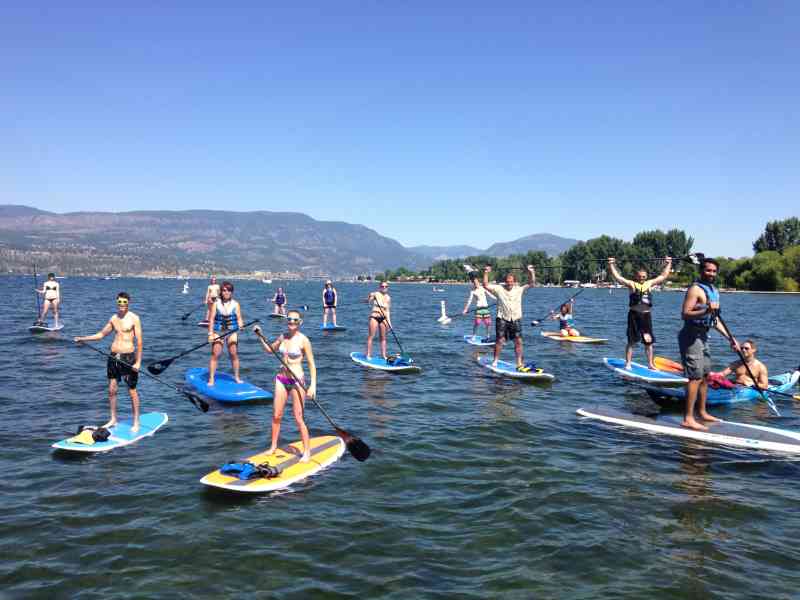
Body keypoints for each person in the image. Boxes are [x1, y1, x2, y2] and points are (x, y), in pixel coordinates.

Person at [678, 257, 739, 431]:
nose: (711, 273)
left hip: (704, 337)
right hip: (691, 336)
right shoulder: (695, 290)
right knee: (695, 377)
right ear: (701, 271)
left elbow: (715, 320)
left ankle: (702, 412)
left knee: (705, 377)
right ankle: (688, 418)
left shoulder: (714, 290)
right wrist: (706, 309)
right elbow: (685, 314)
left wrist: (730, 338)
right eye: (708, 270)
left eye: (714, 271)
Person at [74, 292, 142, 432]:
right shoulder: (114, 318)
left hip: (128, 357)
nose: (121, 305)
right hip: (113, 357)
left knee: (132, 391)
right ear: (117, 303)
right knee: (111, 390)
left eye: (124, 302)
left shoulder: (134, 318)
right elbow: (101, 335)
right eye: (119, 302)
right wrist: (83, 338)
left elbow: (140, 342)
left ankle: (136, 422)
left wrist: (138, 362)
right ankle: (113, 419)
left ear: (128, 303)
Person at [253, 310, 316, 462]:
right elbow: (269, 350)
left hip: (297, 381)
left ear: (300, 322)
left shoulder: (304, 340)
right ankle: (273, 446)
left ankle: (307, 451)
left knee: (298, 418)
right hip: (281, 378)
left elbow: (311, 364)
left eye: (295, 320)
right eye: (289, 319)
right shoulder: (283, 336)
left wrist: (313, 385)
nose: (292, 322)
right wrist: (260, 336)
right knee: (276, 415)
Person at [607, 257, 672, 370]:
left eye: (644, 277)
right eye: (640, 276)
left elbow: (663, 275)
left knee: (649, 341)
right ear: (636, 276)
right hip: (634, 316)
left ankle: (651, 364)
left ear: (646, 277)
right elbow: (618, 277)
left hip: (646, 317)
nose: (641, 278)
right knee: (632, 341)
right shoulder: (631, 284)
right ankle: (628, 363)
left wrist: (669, 263)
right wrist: (611, 264)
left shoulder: (650, 284)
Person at [483, 265, 536, 371]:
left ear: (514, 282)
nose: (509, 283)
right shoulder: (498, 289)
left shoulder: (519, 289)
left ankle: (519, 363)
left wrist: (531, 272)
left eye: (511, 281)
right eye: (507, 281)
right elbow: (485, 285)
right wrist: (486, 272)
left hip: (515, 319)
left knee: (518, 341)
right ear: (505, 281)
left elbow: (532, 283)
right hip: (502, 318)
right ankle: (495, 361)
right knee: (500, 341)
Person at [207, 281, 244, 386]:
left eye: (228, 290)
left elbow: (239, 318)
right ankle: (211, 378)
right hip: (218, 331)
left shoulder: (236, 304)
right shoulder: (216, 303)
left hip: (232, 331)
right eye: (224, 290)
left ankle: (237, 377)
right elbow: (212, 319)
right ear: (221, 292)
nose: (226, 292)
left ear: (232, 292)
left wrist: (241, 325)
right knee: (215, 354)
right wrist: (210, 333)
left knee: (233, 354)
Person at [366, 281, 391, 360]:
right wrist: (369, 296)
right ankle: (368, 355)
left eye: (385, 286)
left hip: (383, 318)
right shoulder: (376, 294)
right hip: (374, 316)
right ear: (380, 287)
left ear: (387, 288)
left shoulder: (388, 298)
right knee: (371, 336)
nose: (384, 288)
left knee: (383, 338)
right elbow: (369, 300)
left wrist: (389, 323)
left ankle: (383, 356)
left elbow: (387, 311)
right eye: (382, 286)